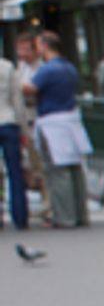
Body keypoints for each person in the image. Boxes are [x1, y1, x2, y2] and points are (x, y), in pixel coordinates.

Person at [22, 31, 91, 229]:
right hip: (70, 120)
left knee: (57, 171)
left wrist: (15, 84)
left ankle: (64, 216)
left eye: (38, 45)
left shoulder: (47, 69)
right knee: (74, 169)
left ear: (44, 46)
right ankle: (80, 214)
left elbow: (31, 89)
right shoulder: (69, 67)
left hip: (52, 122)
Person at [14, 33, 50, 226]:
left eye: (26, 49)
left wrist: (15, 87)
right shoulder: (20, 68)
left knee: (42, 166)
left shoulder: (41, 69)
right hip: (23, 121)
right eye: (19, 49)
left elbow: (32, 90)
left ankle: (48, 206)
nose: (22, 53)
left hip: (36, 119)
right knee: (28, 167)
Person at [0, 53, 28, 230]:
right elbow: (17, 100)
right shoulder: (7, 67)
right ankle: (20, 216)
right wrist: (23, 128)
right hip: (8, 121)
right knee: (15, 172)